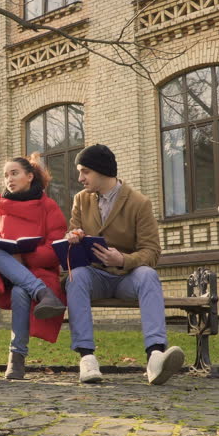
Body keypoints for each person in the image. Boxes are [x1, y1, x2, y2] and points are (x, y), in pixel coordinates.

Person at [65, 143, 185, 385]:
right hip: (94, 276)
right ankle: (87, 359)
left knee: (148, 275)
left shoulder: (139, 203)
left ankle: (155, 356)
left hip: (126, 277)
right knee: (75, 276)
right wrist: (74, 238)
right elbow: (73, 233)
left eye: (85, 171)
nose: (80, 178)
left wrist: (123, 259)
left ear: (102, 171)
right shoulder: (81, 199)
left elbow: (152, 252)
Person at [0, 155, 68, 379]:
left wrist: (24, 258)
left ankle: (16, 357)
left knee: (20, 290)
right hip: (3, 271)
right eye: (6, 175)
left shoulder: (48, 206)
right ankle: (43, 294)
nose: (9, 179)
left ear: (30, 176)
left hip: (37, 270)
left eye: (14, 173)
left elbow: (56, 247)